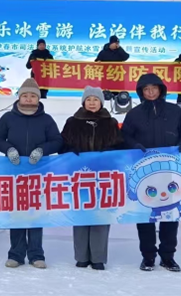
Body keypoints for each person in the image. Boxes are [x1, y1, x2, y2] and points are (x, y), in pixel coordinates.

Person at [121, 73, 181, 272]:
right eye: (146, 89)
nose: (150, 92)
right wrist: (134, 145)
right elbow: (124, 136)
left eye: (154, 88)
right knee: (145, 215)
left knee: (170, 214)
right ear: (141, 92)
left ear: (161, 89)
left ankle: (168, 257)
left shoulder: (175, 111)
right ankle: (148, 257)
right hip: (144, 171)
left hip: (170, 170)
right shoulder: (134, 114)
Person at [0, 78, 63, 270]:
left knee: (36, 214)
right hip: (14, 174)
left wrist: (42, 150)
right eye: (25, 95)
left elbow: (57, 141)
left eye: (33, 96)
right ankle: (15, 255)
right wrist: (8, 149)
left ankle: (36, 255)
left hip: (38, 176)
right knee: (16, 214)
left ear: (38, 99)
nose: (29, 99)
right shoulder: (8, 118)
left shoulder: (46, 120)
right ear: (19, 97)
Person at [60, 86, 123, 271]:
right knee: (81, 215)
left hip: (103, 178)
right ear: (83, 102)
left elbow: (121, 146)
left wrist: (110, 153)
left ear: (101, 102)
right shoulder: (72, 122)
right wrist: (70, 151)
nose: (92, 103)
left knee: (100, 216)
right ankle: (81, 256)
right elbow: (62, 145)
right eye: (89, 100)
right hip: (79, 177)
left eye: (96, 100)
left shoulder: (110, 122)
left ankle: (98, 258)